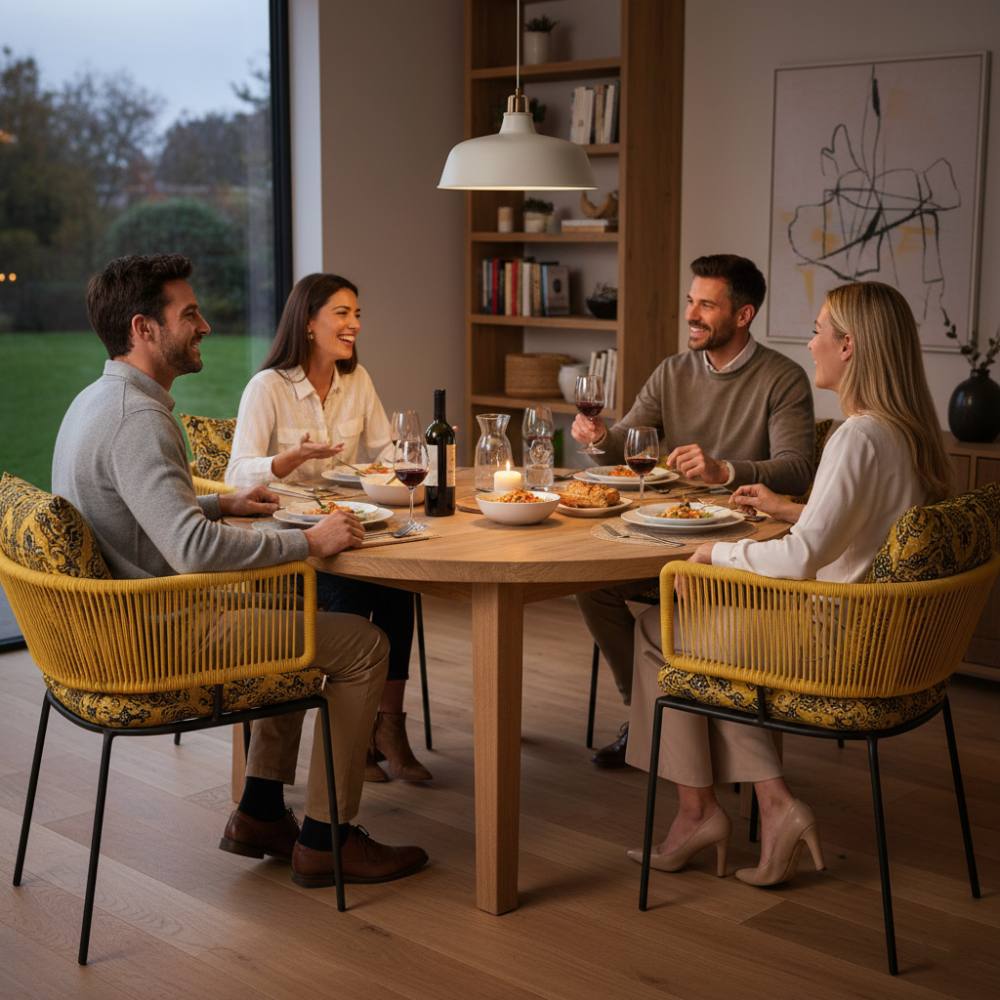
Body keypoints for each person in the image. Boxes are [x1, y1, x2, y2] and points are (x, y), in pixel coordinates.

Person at [51, 254, 428, 887]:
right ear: (144, 329)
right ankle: (327, 838)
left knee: (290, 614)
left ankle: (258, 812)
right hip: (157, 632)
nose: (205, 326)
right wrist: (308, 543)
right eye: (189, 313)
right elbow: (194, 551)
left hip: (121, 621)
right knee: (364, 646)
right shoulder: (139, 420)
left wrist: (217, 502)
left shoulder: (100, 400)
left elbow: (132, 514)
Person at [625, 280, 952, 885]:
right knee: (701, 642)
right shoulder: (902, 430)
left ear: (849, 346)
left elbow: (801, 561)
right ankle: (773, 806)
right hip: (878, 633)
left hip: (834, 638)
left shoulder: (856, 436)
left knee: (658, 628)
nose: (810, 343)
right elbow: (869, 522)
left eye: (819, 331)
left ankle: (698, 811)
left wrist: (716, 553)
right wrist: (789, 508)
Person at [573, 254, 814, 767]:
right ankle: (643, 713)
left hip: (738, 544)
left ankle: (686, 721)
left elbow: (797, 469)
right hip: (668, 529)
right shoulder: (672, 371)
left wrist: (725, 470)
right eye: (690, 301)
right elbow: (626, 444)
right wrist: (598, 437)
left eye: (707, 304)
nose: (691, 314)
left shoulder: (783, 378)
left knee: (678, 599)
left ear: (743, 315)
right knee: (594, 586)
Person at [226, 273, 431, 783]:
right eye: (342, 313)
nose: (354, 324)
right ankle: (352, 738)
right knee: (346, 583)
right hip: (290, 539)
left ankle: (388, 726)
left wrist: (403, 464)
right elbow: (235, 473)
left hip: (343, 522)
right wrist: (285, 460)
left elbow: (387, 452)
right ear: (309, 323)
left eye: (357, 313)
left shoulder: (356, 381)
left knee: (398, 587)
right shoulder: (268, 387)